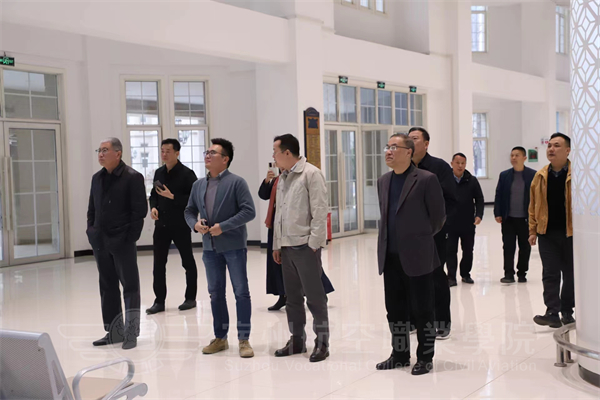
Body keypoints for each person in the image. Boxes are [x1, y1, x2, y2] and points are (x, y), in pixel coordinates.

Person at [376, 133, 445, 376]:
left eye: (394, 147)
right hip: (390, 257)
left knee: (422, 310)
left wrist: (418, 238)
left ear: (409, 152)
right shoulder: (383, 181)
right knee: (394, 310)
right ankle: (400, 354)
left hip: (418, 256)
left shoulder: (426, 179)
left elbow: (438, 218)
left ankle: (425, 357)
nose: (389, 151)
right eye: (387, 147)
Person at [184, 138, 256, 358]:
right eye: (206, 152)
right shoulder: (198, 185)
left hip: (234, 246)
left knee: (241, 292)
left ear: (225, 159)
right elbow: (189, 210)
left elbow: (249, 211)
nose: (207, 155)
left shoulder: (237, 182)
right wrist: (195, 224)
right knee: (215, 293)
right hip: (209, 248)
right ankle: (220, 338)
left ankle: (244, 339)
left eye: (212, 153)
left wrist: (223, 227)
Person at [271, 134, 330, 363]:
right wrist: (277, 244)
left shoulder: (311, 174)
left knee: (315, 298)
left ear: (287, 153)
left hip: (305, 246)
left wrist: (314, 244)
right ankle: (297, 340)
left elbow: (320, 211)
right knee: (292, 298)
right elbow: (279, 214)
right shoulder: (283, 177)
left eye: (275, 152)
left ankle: (322, 343)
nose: (273, 157)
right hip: (286, 247)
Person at [87, 137, 147, 350]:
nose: (101, 154)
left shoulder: (132, 177)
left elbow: (139, 212)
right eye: (99, 150)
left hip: (122, 242)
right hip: (101, 241)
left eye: (105, 150)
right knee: (107, 287)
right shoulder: (97, 178)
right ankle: (114, 332)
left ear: (118, 153)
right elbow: (92, 209)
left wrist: (129, 238)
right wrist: (91, 231)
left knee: (130, 287)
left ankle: (131, 333)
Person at [259, 167, 334, 311]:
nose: (276, 160)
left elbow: (316, 208)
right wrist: (267, 180)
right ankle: (283, 295)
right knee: (278, 264)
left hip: (296, 228)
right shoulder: (278, 179)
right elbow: (263, 195)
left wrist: (315, 239)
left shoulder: (303, 176)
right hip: (277, 225)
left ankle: (320, 293)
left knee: (306, 266)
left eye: (277, 156)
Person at [408, 127, 456, 340]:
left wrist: (438, 226)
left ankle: (442, 322)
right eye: (408, 138)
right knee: (411, 275)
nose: (411, 141)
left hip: (434, 232)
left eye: (415, 138)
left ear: (426, 144)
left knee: (436, 276)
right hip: (409, 234)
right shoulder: (404, 167)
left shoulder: (439, 167)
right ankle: (414, 319)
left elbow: (450, 200)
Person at [146, 139, 198, 315]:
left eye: (168, 151)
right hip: (161, 225)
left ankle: (190, 298)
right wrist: (153, 207)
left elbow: (194, 200)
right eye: (162, 151)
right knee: (158, 264)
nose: (164, 154)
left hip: (180, 224)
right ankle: (159, 301)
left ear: (177, 153)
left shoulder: (188, 174)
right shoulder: (159, 172)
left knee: (187, 261)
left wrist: (173, 197)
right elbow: (154, 194)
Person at [529, 133, 574, 328]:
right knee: (550, 274)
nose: (551, 149)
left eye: (556, 145)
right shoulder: (540, 176)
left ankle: (567, 311)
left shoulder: (577, 175)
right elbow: (533, 205)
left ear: (567, 150)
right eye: (549, 146)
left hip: (571, 234)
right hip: (546, 233)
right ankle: (552, 312)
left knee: (570, 274)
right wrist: (532, 230)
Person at [493, 146, 537, 283]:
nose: (513, 158)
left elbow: (537, 196)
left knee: (525, 247)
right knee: (508, 246)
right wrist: (497, 213)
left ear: (524, 158)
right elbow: (499, 195)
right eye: (512, 155)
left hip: (525, 219)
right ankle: (508, 273)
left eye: (517, 155)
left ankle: (522, 273)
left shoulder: (533, 175)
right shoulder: (504, 175)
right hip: (509, 219)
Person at [446, 153, 484, 286]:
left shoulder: (471, 180)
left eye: (463, 163)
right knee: (450, 251)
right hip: (450, 223)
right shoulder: (445, 180)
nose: (460, 166)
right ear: (452, 164)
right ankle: (451, 277)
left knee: (468, 250)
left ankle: (466, 274)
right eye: (457, 163)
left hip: (468, 223)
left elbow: (479, 199)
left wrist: (479, 215)